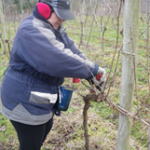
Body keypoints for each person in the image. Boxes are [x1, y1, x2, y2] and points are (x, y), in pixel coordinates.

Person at [0, 0, 106, 149]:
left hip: (38, 96)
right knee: (31, 144)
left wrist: (90, 68)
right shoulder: (31, 29)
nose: (63, 19)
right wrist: (92, 71)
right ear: (44, 10)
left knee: (43, 131)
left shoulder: (54, 28)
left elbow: (71, 49)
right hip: (23, 100)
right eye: (60, 15)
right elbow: (58, 59)